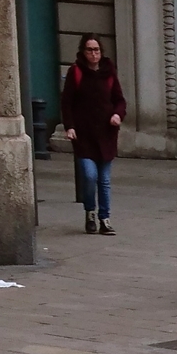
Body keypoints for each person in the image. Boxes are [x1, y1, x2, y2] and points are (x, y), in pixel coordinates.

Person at [61, 33, 126, 236]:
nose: (93, 53)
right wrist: (69, 126)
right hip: (84, 135)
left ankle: (104, 219)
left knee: (104, 180)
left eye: (96, 49)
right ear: (83, 51)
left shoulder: (108, 72)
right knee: (90, 176)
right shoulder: (76, 72)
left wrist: (117, 115)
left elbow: (119, 100)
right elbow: (67, 102)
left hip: (106, 133)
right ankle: (90, 211)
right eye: (89, 49)